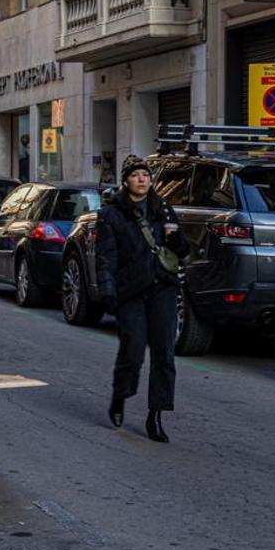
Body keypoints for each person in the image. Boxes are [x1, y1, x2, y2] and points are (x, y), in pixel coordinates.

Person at [96, 155, 189, 443]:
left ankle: (156, 414)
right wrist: (108, 292)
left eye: (145, 175)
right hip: (130, 292)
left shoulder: (163, 209)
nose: (142, 179)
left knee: (164, 353)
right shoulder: (111, 215)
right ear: (126, 181)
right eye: (136, 175)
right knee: (133, 351)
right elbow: (105, 258)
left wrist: (175, 239)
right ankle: (120, 396)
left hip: (162, 287)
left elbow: (182, 251)